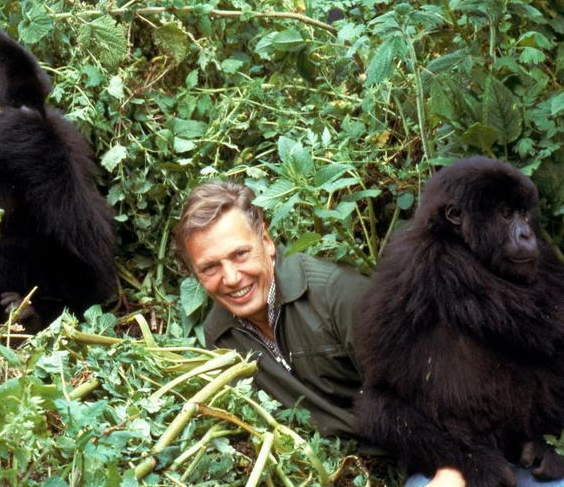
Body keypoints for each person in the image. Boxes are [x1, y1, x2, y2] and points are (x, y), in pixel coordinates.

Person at [172, 180, 469, 487]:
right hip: (345, 470)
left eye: (240, 255)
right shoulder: (220, 336)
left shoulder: (337, 296)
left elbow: (439, 393)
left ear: (267, 241)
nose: (231, 278)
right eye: (210, 268)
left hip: (436, 456)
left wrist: (452, 470)